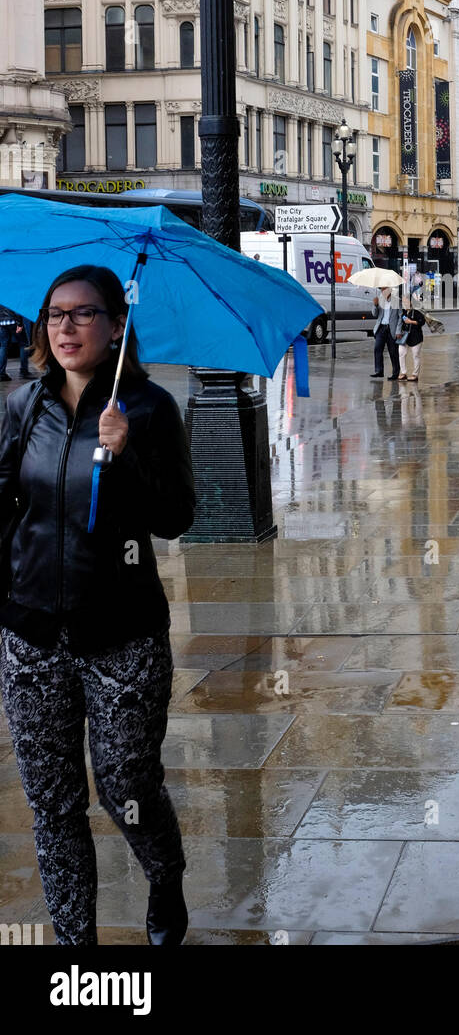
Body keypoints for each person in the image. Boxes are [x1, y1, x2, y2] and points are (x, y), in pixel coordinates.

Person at [0, 264, 196, 945]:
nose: (66, 327)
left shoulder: (147, 409)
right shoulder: (24, 407)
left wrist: (129, 451)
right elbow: (5, 507)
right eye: (55, 314)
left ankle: (164, 877)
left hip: (123, 637)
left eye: (84, 314)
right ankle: (74, 949)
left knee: (125, 786)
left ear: (117, 327)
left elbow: (176, 517)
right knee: (52, 804)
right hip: (32, 639)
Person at [370, 286, 401, 379]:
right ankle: (379, 371)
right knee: (377, 348)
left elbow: (400, 316)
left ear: (390, 290)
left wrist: (398, 330)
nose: (383, 291)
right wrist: (375, 305)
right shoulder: (379, 299)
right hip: (381, 328)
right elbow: (374, 314)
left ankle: (395, 373)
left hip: (392, 329)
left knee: (393, 351)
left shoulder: (396, 301)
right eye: (381, 289)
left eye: (384, 289)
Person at [397, 300, 426, 382]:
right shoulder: (403, 312)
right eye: (404, 303)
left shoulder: (416, 311)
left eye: (407, 302)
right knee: (401, 353)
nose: (405, 304)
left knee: (415, 355)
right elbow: (400, 323)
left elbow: (422, 322)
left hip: (416, 337)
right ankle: (403, 372)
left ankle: (415, 374)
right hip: (404, 337)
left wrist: (411, 322)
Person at [0, 306, 31, 381]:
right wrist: (20, 324)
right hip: (13, 321)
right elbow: (17, 309)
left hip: (1, 322)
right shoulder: (12, 294)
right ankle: (24, 371)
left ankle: (1, 373)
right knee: (24, 344)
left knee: (4, 346)